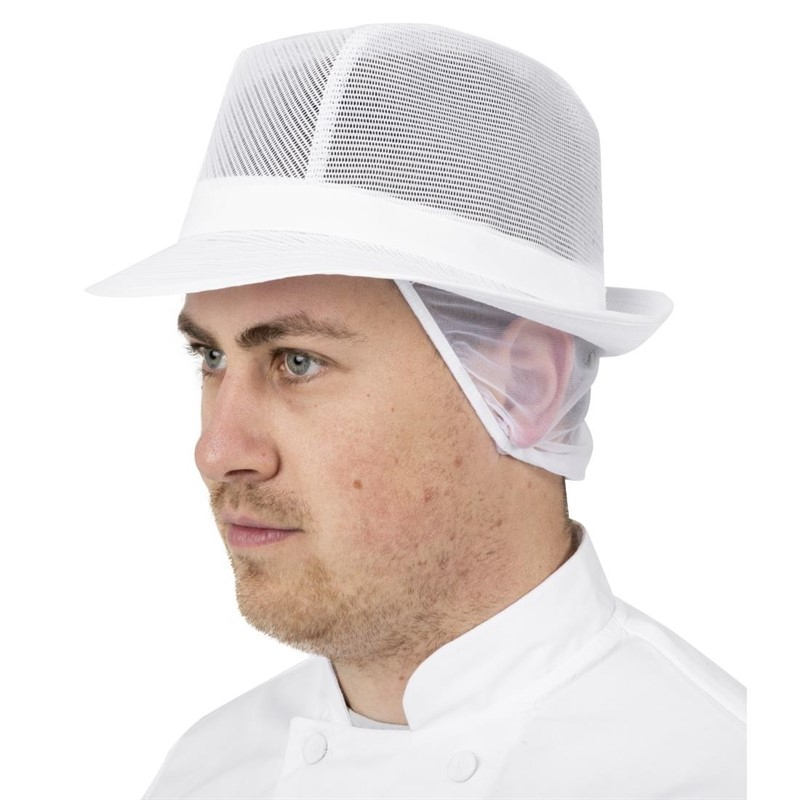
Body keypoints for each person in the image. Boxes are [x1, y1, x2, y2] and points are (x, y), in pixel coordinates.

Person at [86, 22, 746, 799]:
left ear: (526, 387)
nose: (217, 450)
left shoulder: (719, 771)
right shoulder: (206, 770)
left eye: (297, 362)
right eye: (211, 357)